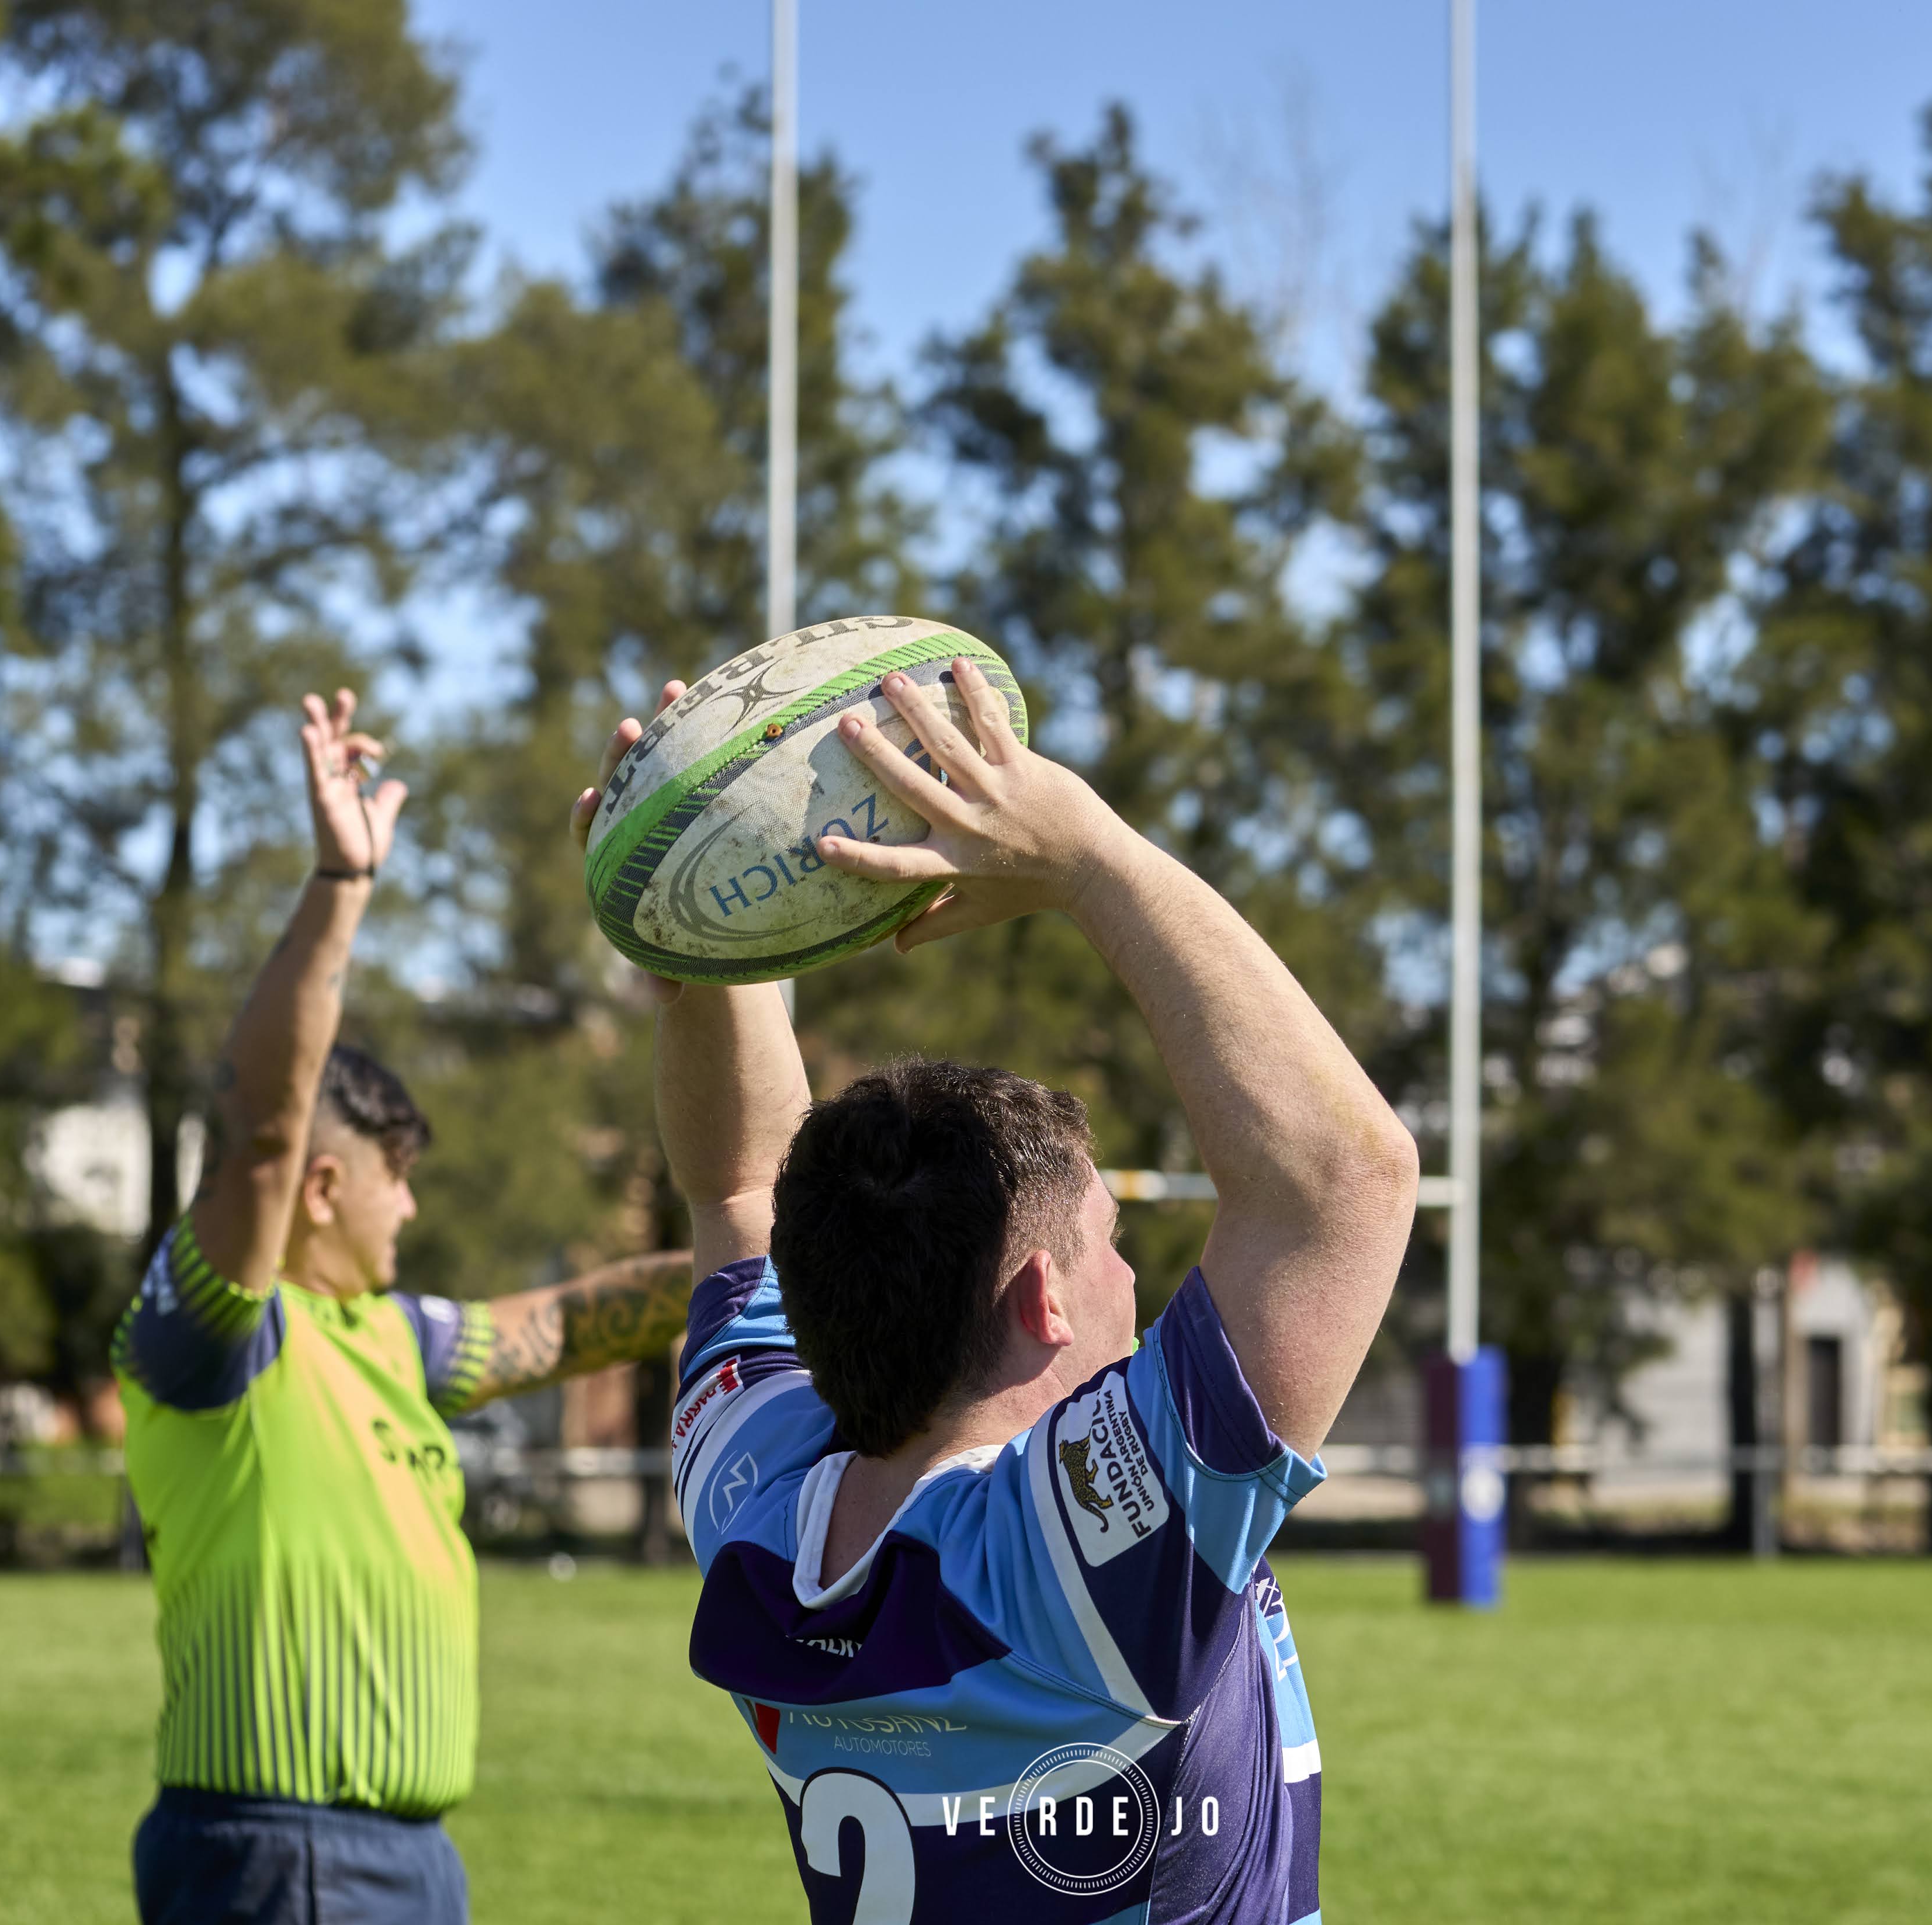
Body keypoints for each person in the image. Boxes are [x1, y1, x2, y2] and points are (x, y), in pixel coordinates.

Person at [570, 658, 1418, 1922]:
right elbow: (1346, 1183)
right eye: (1108, 1242)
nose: (1136, 1277)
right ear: (1041, 1301)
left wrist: (702, 942)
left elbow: (738, 1188)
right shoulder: (1079, 1568)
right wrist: (1087, 855)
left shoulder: (756, 1512)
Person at [119, 690, 696, 1925]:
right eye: (399, 1179)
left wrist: (769, 1258)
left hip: (410, 1860)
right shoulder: (220, 1339)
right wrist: (341, 882)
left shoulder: (399, 1339)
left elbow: (574, 1321)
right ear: (325, 1187)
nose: (413, 1210)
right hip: (283, 1856)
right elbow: (263, 1126)